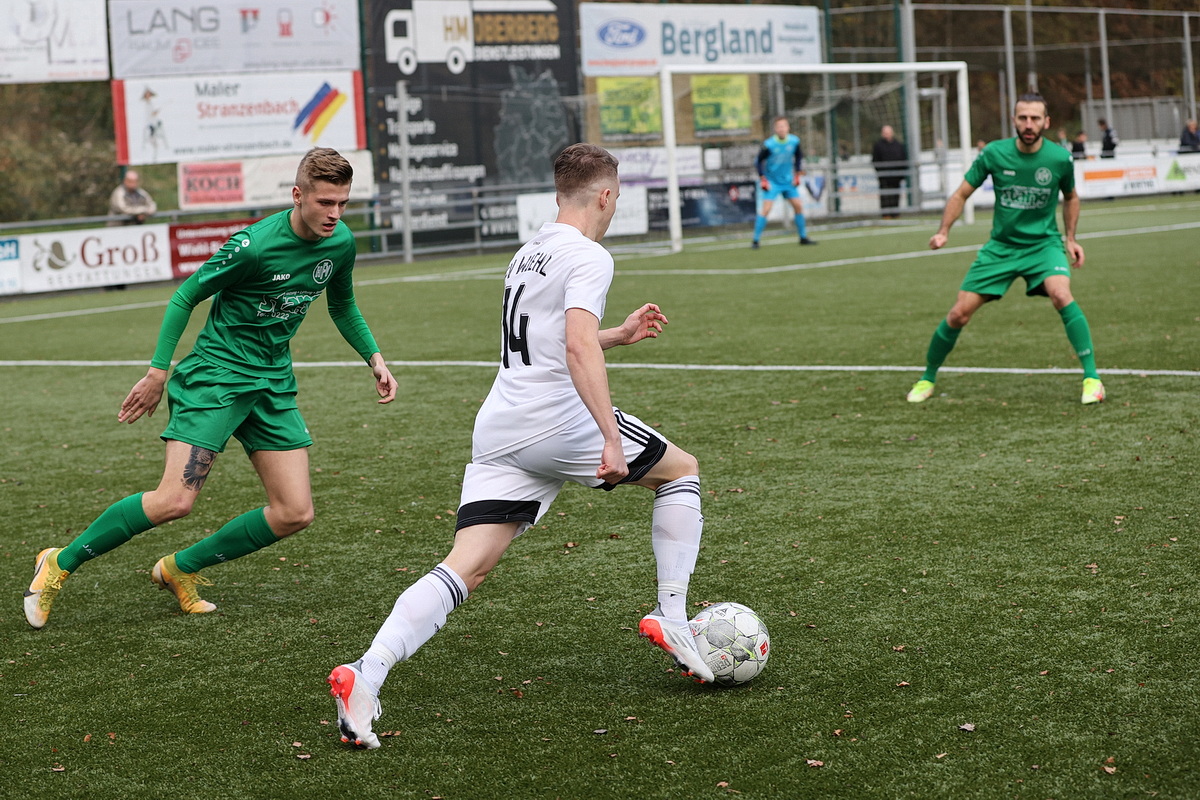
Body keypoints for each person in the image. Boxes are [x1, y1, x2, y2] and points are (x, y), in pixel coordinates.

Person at [327, 143, 712, 750]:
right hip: (555, 421)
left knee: (467, 565)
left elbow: (548, 339)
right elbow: (575, 348)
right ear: (605, 195)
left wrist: (619, 334)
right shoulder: (590, 255)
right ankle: (672, 614)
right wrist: (610, 438)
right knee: (681, 471)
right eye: (615, 198)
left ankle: (366, 675)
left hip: (500, 426)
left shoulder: (529, 252)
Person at [24, 148, 398, 629]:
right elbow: (186, 295)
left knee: (294, 512)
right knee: (174, 501)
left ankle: (179, 568)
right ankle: (59, 562)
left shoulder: (340, 242)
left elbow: (342, 306)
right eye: (325, 202)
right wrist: (158, 372)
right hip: (217, 376)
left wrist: (374, 357)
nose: (335, 214)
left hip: (272, 382)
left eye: (343, 203)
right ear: (297, 195)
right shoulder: (253, 246)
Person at [906, 94, 1104, 406]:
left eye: (1035, 118)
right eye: (1023, 118)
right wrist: (943, 231)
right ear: (1014, 120)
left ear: (1046, 122)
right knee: (958, 314)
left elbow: (1071, 197)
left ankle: (1092, 378)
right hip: (1001, 248)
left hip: (1043, 246)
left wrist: (1071, 238)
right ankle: (927, 378)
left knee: (1061, 294)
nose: (1029, 124)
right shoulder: (994, 153)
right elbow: (960, 194)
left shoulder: (1059, 158)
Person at [751, 116, 815, 248]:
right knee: (766, 209)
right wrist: (762, 177)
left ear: (788, 127)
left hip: (788, 181)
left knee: (798, 206)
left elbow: (798, 156)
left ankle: (803, 237)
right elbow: (758, 161)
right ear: (775, 129)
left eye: (784, 126)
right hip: (772, 182)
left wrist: (797, 172)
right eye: (779, 126)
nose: (781, 129)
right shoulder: (769, 144)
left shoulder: (794, 141)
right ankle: (755, 240)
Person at [872, 124, 909, 219]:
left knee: (895, 195)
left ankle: (895, 214)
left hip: (896, 176)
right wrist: (881, 173)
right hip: (884, 177)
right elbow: (875, 161)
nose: (887, 134)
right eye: (885, 133)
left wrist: (901, 173)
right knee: (885, 195)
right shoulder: (878, 146)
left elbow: (903, 159)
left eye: (888, 132)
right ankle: (886, 214)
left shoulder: (898, 145)